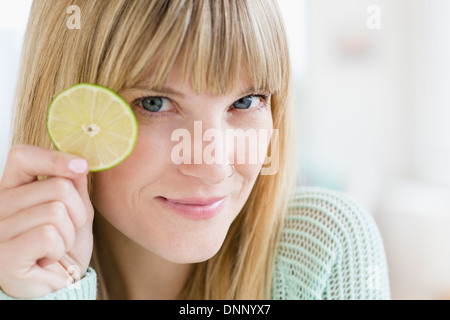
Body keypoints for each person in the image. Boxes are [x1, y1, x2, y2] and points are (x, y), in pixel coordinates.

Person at [0, 0, 390, 300]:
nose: (214, 166)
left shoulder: (326, 249)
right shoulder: (12, 271)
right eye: (154, 103)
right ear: (70, 110)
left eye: (246, 102)